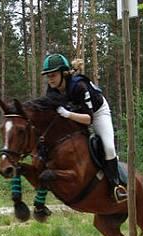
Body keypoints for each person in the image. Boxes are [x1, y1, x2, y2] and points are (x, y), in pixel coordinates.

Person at [39, 53, 127, 204]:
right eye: (48, 76)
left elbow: (89, 119)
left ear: (63, 73)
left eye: (53, 75)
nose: (50, 79)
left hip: (97, 113)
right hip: (74, 114)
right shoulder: (52, 90)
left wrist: (67, 114)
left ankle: (117, 185)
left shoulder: (79, 86)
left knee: (109, 147)